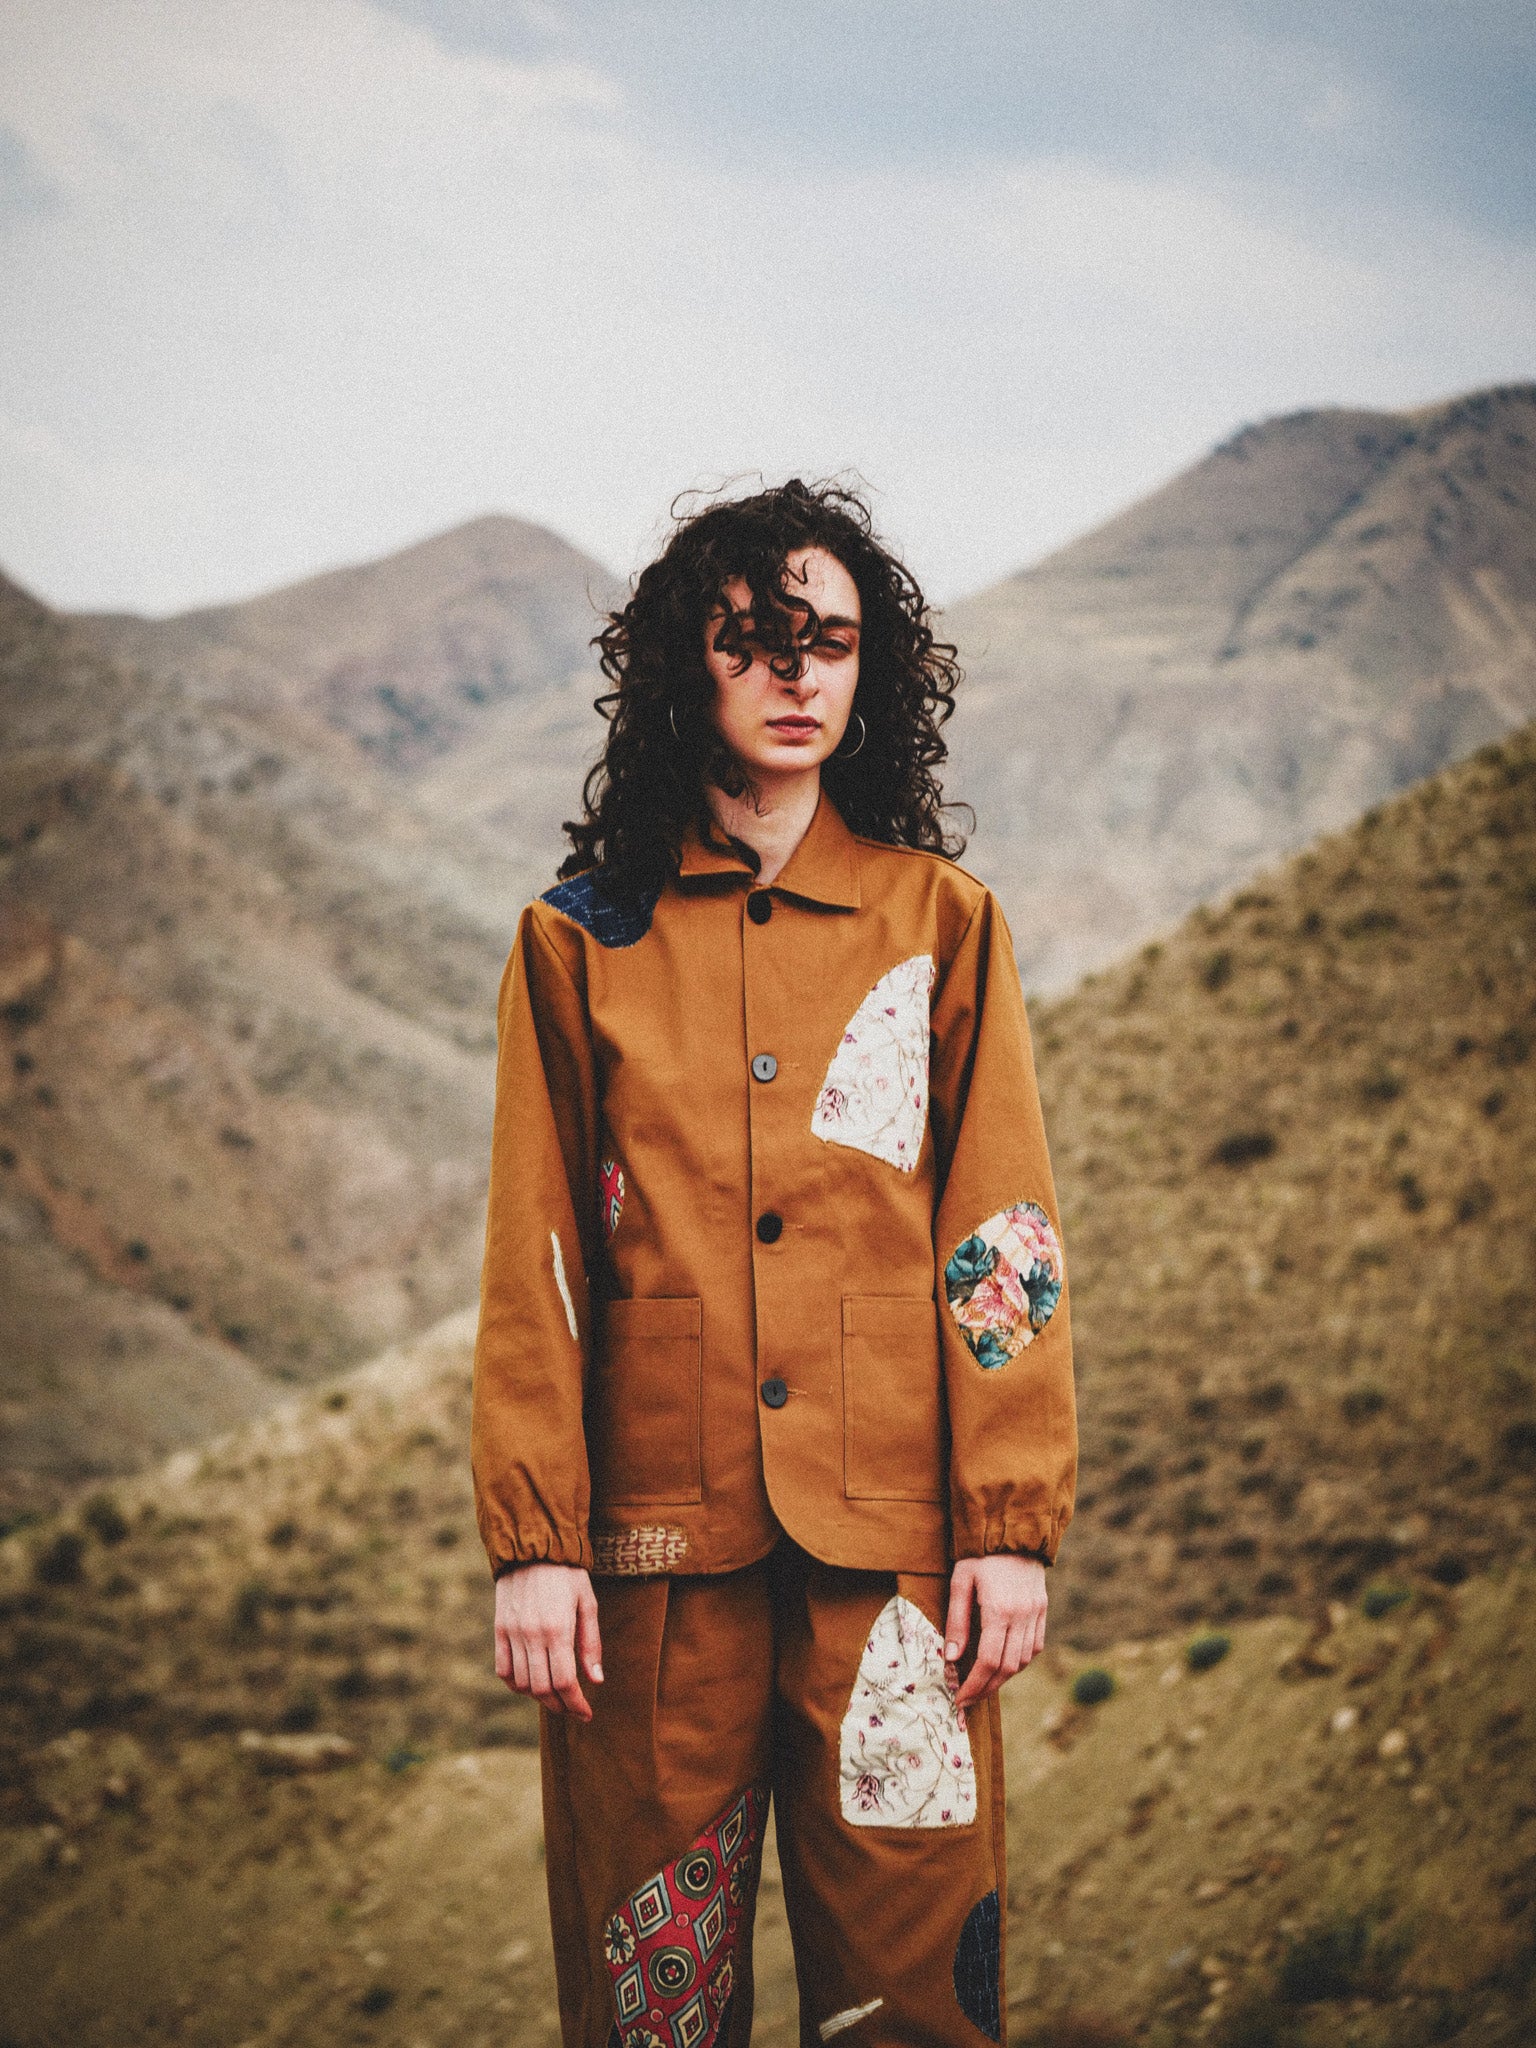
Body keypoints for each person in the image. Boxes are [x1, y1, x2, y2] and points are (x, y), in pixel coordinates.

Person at [471, 479, 1076, 2048]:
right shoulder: (578, 939)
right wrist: (534, 1541)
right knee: (647, 2007)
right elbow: (535, 1260)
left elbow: (999, 1245)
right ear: (691, 664)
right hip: (648, 1565)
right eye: (757, 641)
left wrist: (1010, 1525)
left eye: (833, 642)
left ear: (875, 669)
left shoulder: (946, 927)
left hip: (902, 1573)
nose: (800, 675)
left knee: (918, 2003)